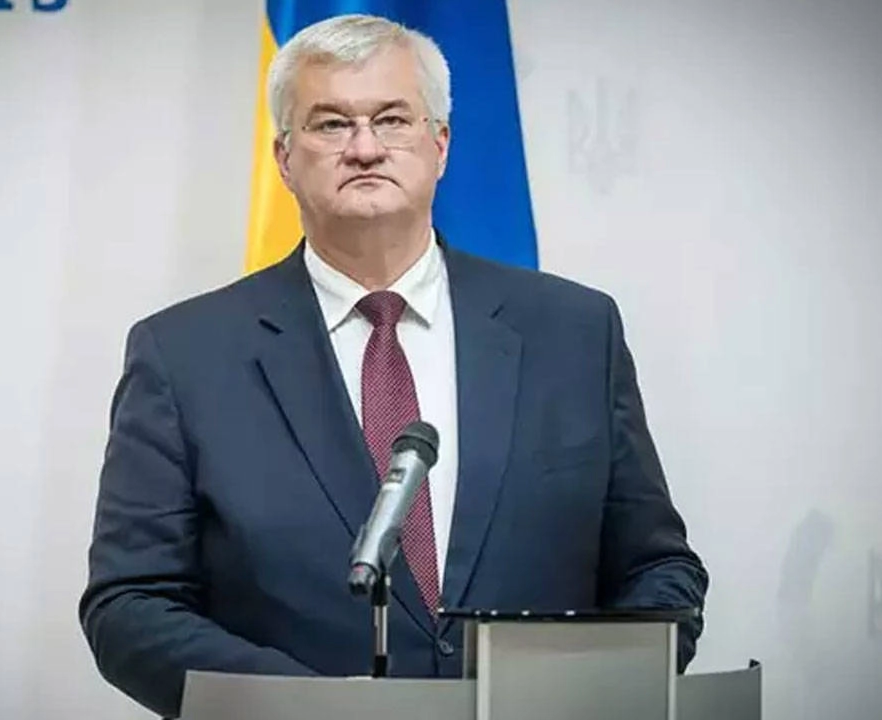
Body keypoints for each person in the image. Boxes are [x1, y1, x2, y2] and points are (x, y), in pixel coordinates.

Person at [79, 13, 708, 718]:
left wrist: (586, 691)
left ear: (440, 145)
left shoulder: (574, 332)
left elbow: (658, 569)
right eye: (330, 124)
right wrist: (310, 710)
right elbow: (131, 606)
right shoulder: (185, 354)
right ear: (284, 157)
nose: (365, 148)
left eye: (392, 119)